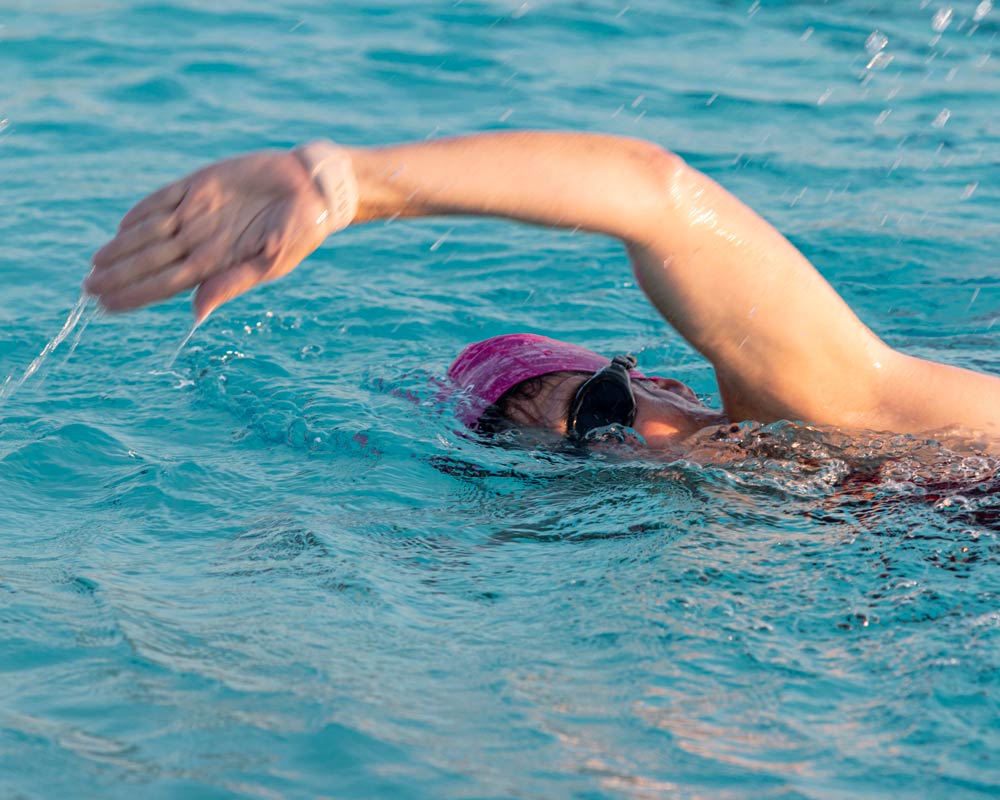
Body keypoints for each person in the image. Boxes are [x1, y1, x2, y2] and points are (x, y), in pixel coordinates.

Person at [84, 132, 1000, 450]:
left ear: (668, 384)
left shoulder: (827, 405)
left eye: (601, 412)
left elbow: (656, 197)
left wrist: (346, 183)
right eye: (570, 458)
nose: (613, 454)